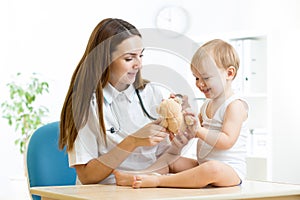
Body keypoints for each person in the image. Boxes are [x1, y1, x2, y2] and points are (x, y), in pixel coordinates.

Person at [58, 18, 196, 185]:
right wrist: (133, 141)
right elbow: (87, 176)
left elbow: (164, 159)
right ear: (105, 60)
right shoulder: (85, 104)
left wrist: (180, 141)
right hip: (107, 192)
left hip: (147, 187)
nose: (138, 64)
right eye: (129, 58)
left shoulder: (150, 92)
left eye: (140, 55)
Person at [114, 39, 249, 188]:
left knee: (212, 169)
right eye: (196, 78)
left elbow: (227, 141)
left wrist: (198, 130)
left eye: (206, 78)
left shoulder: (235, 105)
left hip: (229, 171)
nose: (199, 83)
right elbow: (191, 131)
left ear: (229, 73)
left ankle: (158, 181)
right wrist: (180, 119)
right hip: (203, 164)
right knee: (171, 160)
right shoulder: (207, 105)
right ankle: (140, 177)